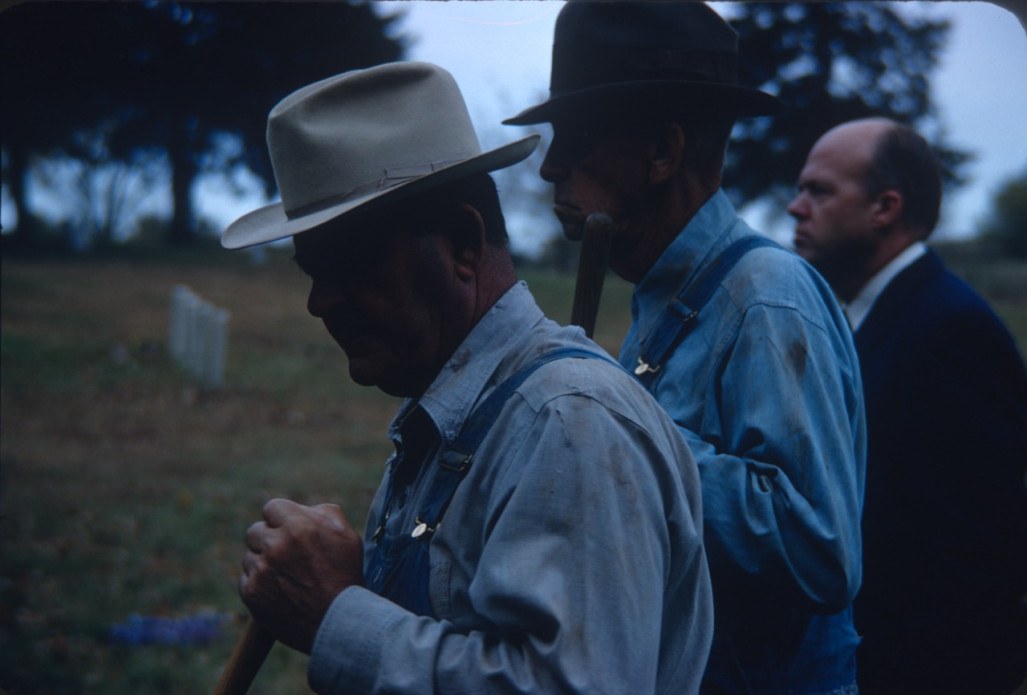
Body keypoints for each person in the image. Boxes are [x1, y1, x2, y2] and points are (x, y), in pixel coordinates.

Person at [221, 61, 715, 694]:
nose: (321, 301)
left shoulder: (568, 424)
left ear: (461, 242)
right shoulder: (460, 414)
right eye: (310, 270)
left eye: (347, 263)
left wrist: (336, 617)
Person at [505, 3, 866, 693]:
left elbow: (820, 553)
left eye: (574, 138)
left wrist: (626, 439)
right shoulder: (661, 298)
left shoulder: (764, 299)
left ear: (661, 153)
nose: (550, 167)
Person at [788, 117, 1027, 695]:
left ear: (885, 208)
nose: (795, 208)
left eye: (819, 190)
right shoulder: (872, 316)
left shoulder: (948, 329)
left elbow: (976, 563)